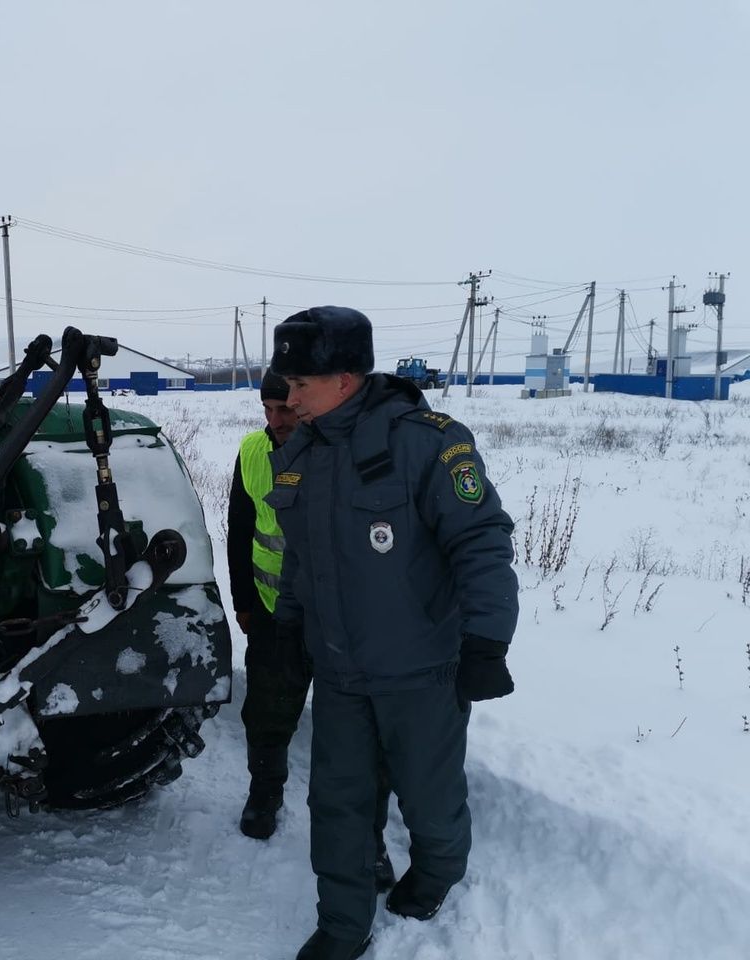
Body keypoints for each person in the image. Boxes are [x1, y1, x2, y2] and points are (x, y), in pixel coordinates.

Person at [265, 307, 519, 960]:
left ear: (346, 378)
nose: (287, 398)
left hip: (421, 671)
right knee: (338, 806)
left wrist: (487, 642)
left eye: (300, 384)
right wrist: (288, 627)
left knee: (431, 803)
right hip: (341, 674)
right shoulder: (299, 454)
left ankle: (436, 874)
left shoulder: (428, 442)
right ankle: (344, 926)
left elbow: (480, 541)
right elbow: (300, 554)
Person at [226, 374, 395, 890]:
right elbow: (239, 528)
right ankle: (264, 795)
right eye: (268, 409)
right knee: (267, 714)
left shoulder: (344, 453)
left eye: (286, 410)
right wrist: (245, 601)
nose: (276, 421)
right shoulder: (253, 451)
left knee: (354, 738)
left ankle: (369, 840)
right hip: (275, 614)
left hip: (340, 622)